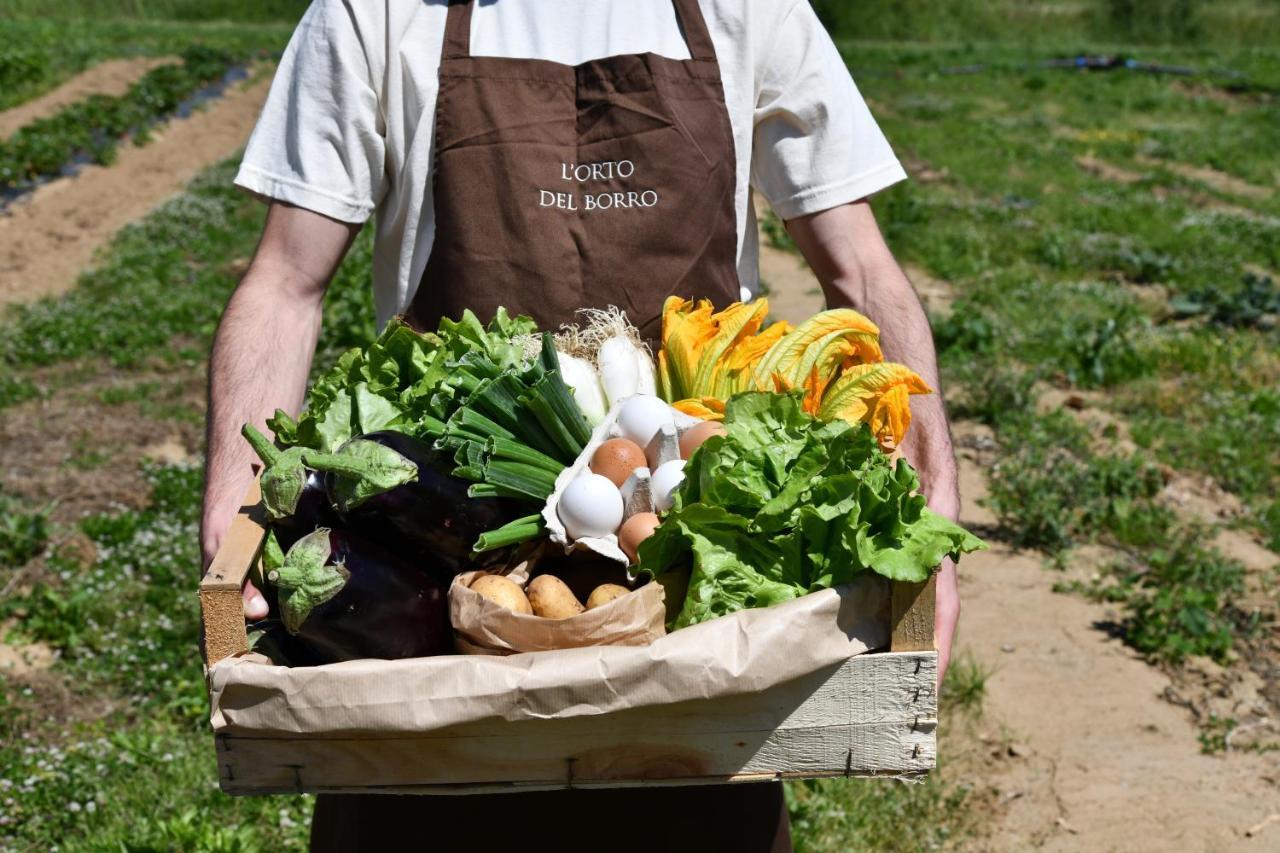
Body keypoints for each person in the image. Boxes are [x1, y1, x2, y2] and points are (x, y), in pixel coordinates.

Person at [200, 1, 960, 849]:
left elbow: (861, 269)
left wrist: (931, 513)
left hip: (690, 609)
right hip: (439, 594)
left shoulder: (746, 8)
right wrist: (232, 516)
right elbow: (285, 282)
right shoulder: (375, 12)